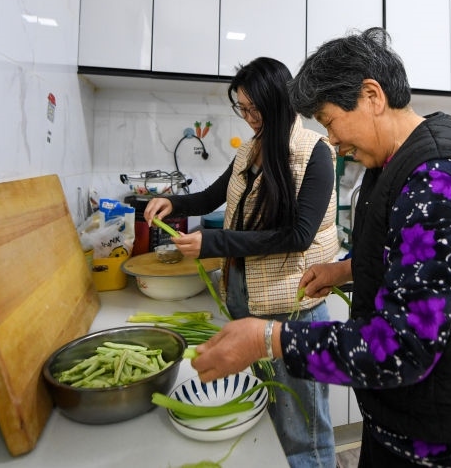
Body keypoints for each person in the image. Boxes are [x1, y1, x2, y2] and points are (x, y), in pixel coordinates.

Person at [190, 29, 451, 467]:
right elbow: (405, 252)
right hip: (402, 413)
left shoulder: (437, 178)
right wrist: (344, 269)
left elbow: (403, 346)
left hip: (445, 433)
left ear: (372, 96)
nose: (330, 139)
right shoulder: (392, 160)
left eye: (329, 121)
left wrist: (267, 339)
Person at [143, 56, 339, 468]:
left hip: (292, 310)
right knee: (267, 414)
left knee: (301, 429)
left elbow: (298, 236)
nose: (248, 118)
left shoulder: (315, 152)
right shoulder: (251, 149)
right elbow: (212, 196)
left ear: (277, 102)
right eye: (242, 108)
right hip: (245, 302)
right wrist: (172, 202)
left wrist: (214, 243)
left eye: (255, 109)